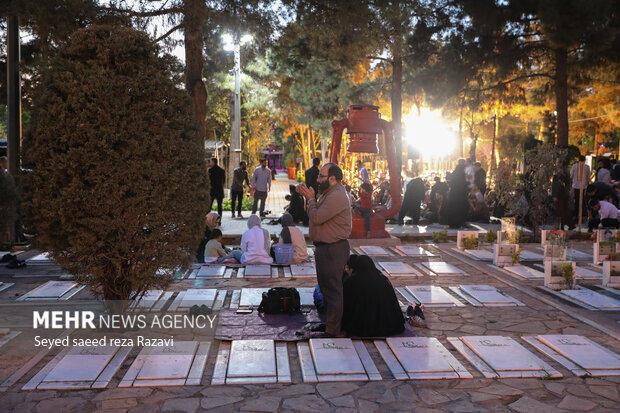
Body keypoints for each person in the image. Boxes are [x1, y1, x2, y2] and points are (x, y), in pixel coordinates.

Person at [297, 163, 351, 338]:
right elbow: (314, 215)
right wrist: (311, 199)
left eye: (321, 176)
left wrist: (311, 199)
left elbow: (317, 217)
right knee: (327, 289)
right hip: (326, 248)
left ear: (333, 178)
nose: (318, 179)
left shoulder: (337, 195)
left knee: (333, 291)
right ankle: (330, 324)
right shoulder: (328, 193)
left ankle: (333, 330)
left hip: (333, 249)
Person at [341, 255, 405, 337]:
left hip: (360, 327)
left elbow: (345, 306)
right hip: (387, 326)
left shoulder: (351, 280)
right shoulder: (383, 279)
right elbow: (393, 305)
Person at [445, 159, 469, 228]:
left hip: (454, 195)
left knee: (454, 209)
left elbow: (452, 183)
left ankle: (454, 223)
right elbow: (463, 184)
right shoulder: (462, 173)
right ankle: (460, 222)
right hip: (461, 195)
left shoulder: (455, 172)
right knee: (461, 209)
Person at [552, 163, 574, 230]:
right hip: (564, 194)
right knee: (564, 210)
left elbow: (557, 185)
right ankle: (568, 225)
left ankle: (565, 225)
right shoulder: (565, 171)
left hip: (561, 194)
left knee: (561, 211)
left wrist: (555, 195)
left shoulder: (561, 172)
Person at [570, 155, 591, 220]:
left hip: (575, 185)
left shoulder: (574, 166)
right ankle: (581, 215)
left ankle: (575, 214)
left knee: (576, 200)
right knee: (582, 201)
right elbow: (588, 177)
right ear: (584, 160)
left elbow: (571, 175)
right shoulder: (587, 167)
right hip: (584, 186)